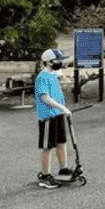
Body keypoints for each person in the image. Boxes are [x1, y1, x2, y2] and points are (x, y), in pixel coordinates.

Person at [35, 48, 73, 188]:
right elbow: (44, 97)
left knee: (61, 142)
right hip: (48, 117)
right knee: (48, 146)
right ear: (49, 62)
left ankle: (64, 169)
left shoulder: (53, 75)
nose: (61, 63)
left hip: (58, 114)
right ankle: (45, 175)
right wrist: (62, 107)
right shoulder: (42, 77)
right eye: (59, 60)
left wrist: (62, 109)